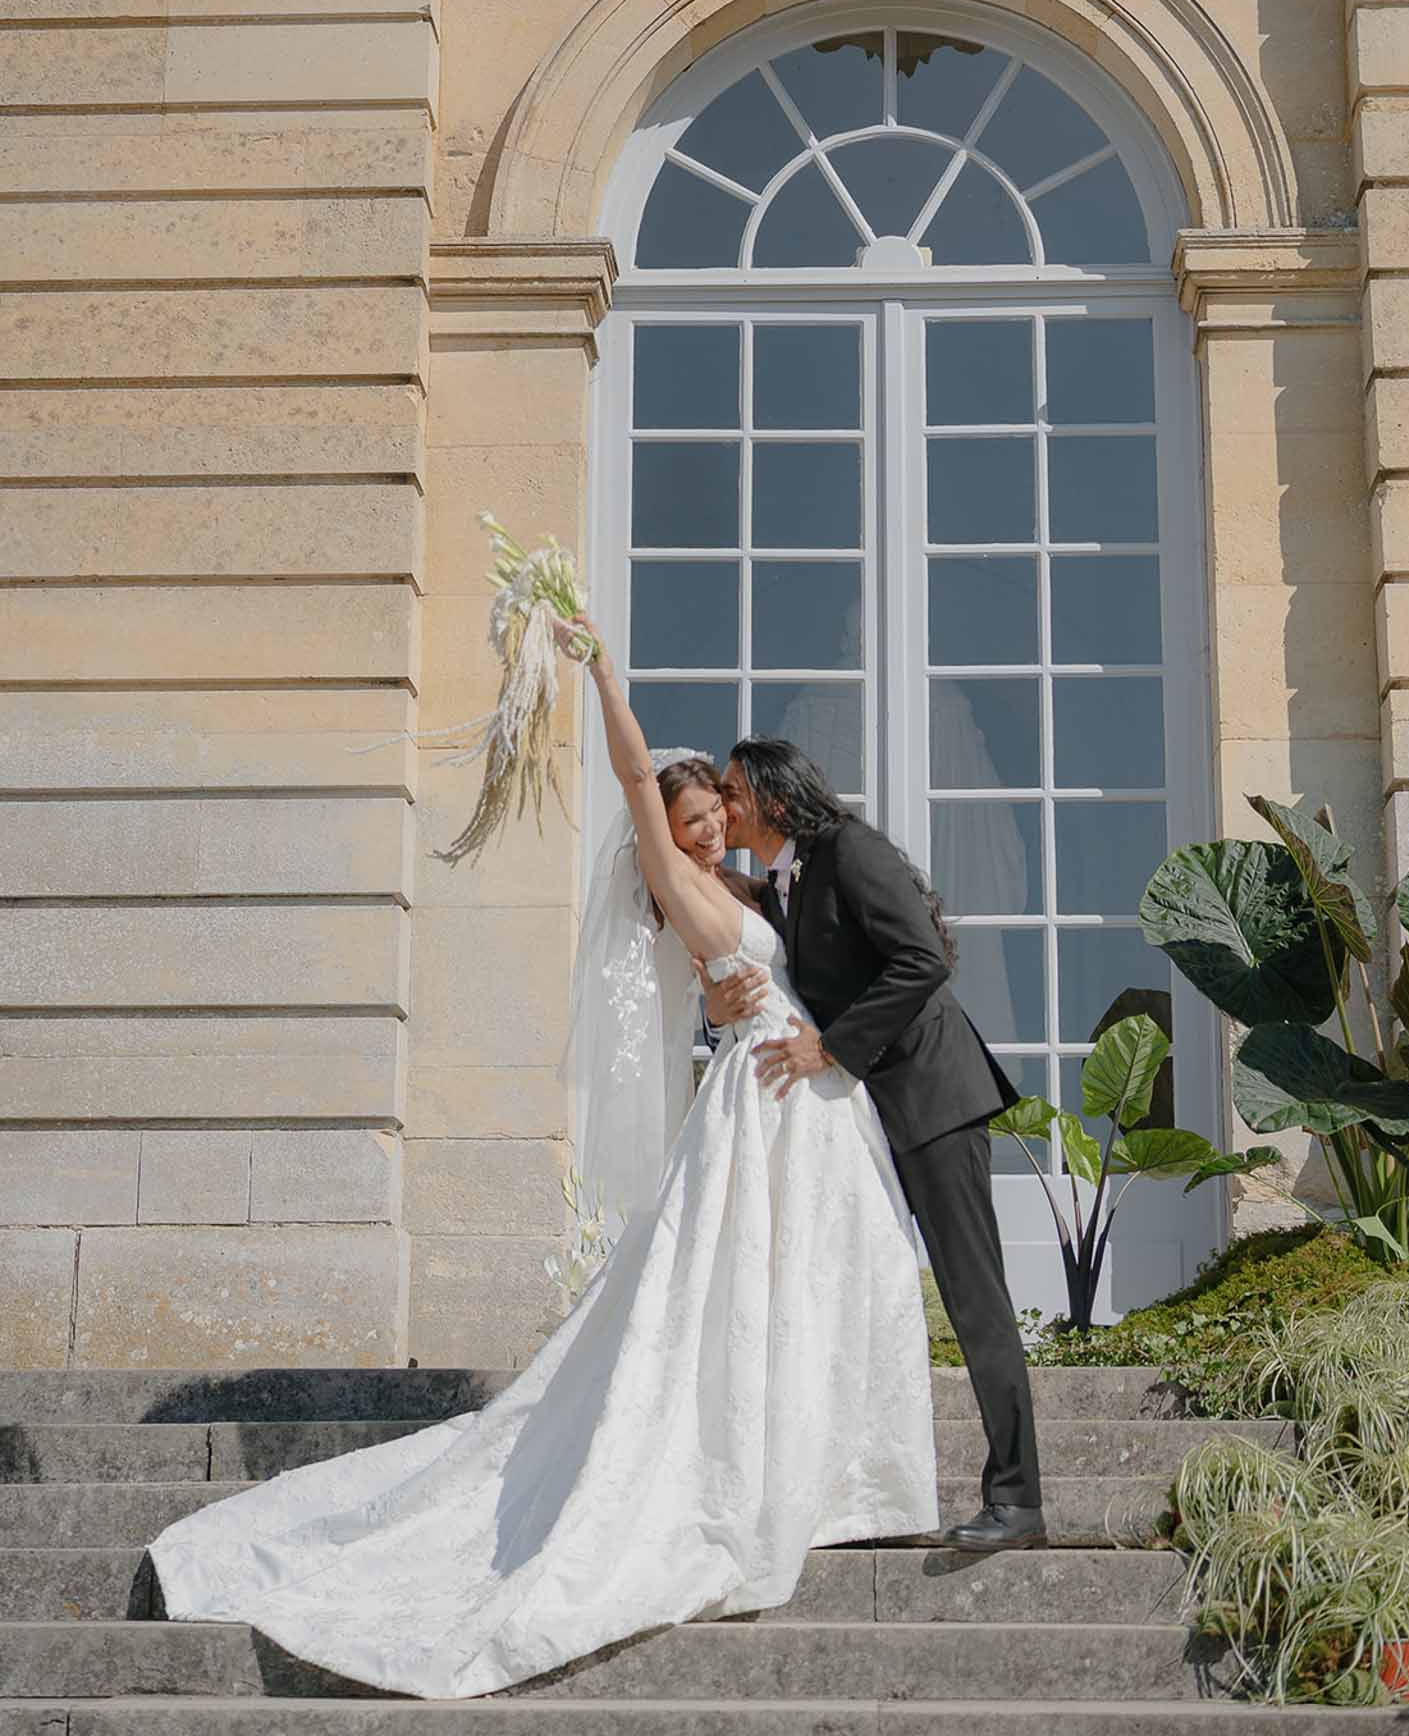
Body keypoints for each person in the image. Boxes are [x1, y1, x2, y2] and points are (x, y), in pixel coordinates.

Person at [145, 621, 937, 1700]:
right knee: (747, 1291)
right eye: (691, 822)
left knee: (835, 1275)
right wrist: (604, 672)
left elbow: (791, 960)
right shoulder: (676, 877)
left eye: (714, 818)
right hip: (764, 1092)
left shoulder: (762, 891)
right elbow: (627, 766)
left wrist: (748, 994)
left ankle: (844, 1476)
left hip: (804, 1090)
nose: (707, 835)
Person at [708, 737, 1045, 1553]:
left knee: (975, 1299)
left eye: (731, 793)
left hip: (934, 1101)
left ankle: (1019, 1500)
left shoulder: (851, 851)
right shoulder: (788, 878)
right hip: (869, 1121)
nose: (722, 806)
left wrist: (832, 1049)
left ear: (774, 801)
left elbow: (923, 958)